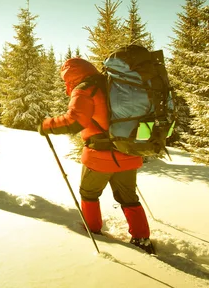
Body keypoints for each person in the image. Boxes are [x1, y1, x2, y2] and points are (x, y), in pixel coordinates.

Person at [38, 58, 155, 254]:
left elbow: (74, 121)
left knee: (89, 193)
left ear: (70, 76)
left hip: (100, 156)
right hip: (128, 151)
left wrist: (46, 125)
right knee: (128, 198)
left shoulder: (84, 90)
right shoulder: (113, 84)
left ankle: (92, 229)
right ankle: (142, 239)